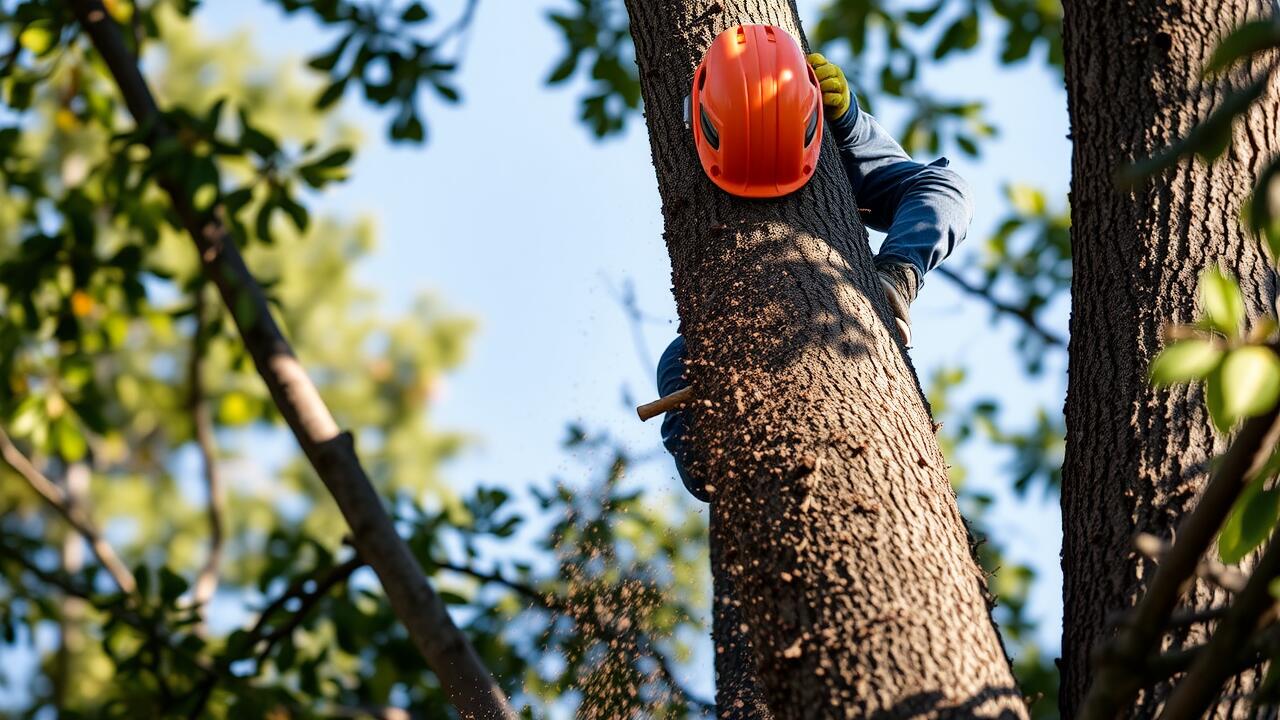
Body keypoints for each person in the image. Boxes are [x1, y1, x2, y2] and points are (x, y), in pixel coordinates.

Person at [658, 53, 974, 502]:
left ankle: (890, 286)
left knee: (952, 185)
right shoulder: (691, 155)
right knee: (677, 360)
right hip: (741, 324)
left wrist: (847, 121)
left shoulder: (837, 131)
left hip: (839, 298)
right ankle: (722, 474)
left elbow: (941, 191)